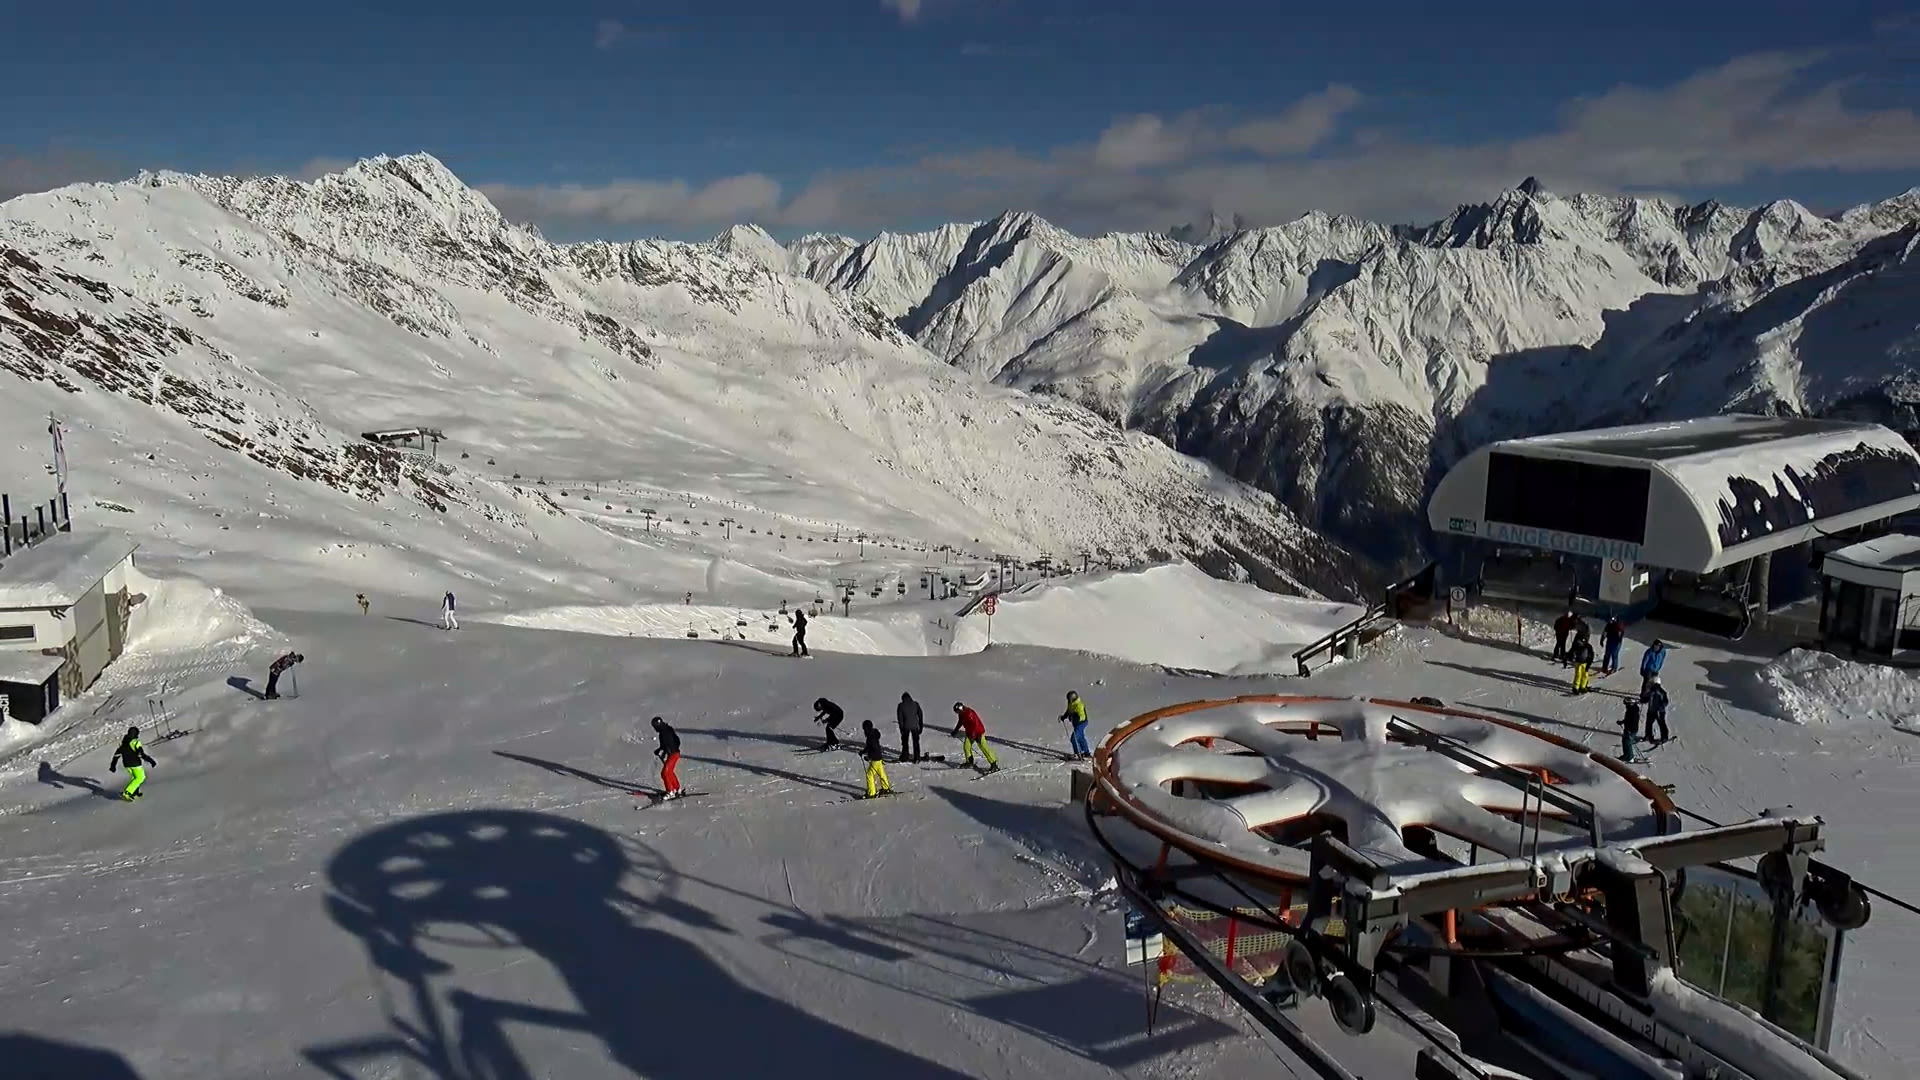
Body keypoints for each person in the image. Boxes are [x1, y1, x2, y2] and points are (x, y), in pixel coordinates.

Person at [107, 725, 156, 800]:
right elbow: (141, 754)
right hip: (135, 763)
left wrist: (113, 766)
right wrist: (151, 761)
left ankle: (135, 791)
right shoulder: (135, 742)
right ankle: (127, 792)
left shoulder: (124, 743)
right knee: (140, 777)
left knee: (134, 777)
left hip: (126, 764)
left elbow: (116, 756)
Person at [950, 701, 999, 772]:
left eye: (957, 712)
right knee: (966, 747)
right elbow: (960, 721)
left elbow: (975, 725)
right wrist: (955, 730)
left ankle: (993, 764)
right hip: (970, 733)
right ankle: (969, 762)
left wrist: (975, 735)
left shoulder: (969, 713)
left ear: (960, 709)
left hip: (978, 732)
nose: (957, 713)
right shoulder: (961, 714)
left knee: (983, 748)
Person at [860, 720, 895, 798]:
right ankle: (886, 788)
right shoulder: (873, 734)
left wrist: (869, 757)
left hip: (875, 759)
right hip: (879, 757)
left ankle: (871, 793)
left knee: (869, 775)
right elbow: (869, 746)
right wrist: (863, 752)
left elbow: (873, 747)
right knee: (881, 773)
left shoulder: (870, 737)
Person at [651, 716, 683, 800]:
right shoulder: (666, 729)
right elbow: (668, 743)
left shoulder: (665, 732)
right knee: (669, 772)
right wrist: (660, 750)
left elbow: (668, 743)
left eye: (654, 727)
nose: (654, 729)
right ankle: (677, 789)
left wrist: (667, 750)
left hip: (673, 754)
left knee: (665, 773)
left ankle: (670, 792)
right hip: (674, 753)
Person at [1060, 691, 1090, 759]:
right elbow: (1069, 711)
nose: (1068, 701)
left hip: (1081, 723)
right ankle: (1086, 752)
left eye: (1069, 699)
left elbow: (1082, 717)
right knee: (1081, 737)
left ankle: (1078, 754)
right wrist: (1064, 716)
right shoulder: (1071, 703)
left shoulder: (1079, 705)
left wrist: (1073, 716)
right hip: (1076, 723)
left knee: (1074, 738)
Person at [896, 691, 923, 762]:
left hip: (905, 726)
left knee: (905, 742)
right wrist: (921, 726)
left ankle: (905, 757)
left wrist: (901, 729)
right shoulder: (915, 704)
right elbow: (920, 715)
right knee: (916, 742)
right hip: (915, 726)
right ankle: (917, 757)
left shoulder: (901, 706)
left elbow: (900, 718)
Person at [1643, 677, 1671, 744]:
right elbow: (1647, 697)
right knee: (1648, 723)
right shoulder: (1651, 691)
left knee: (1661, 723)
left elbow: (1665, 702)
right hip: (1651, 710)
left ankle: (1664, 737)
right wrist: (1643, 699)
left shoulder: (1661, 692)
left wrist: (1660, 707)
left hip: (1659, 711)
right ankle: (1648, 735)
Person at [1619, 697, 1643, 762]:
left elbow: (1633, 721)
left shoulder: (1632, 711)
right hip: (1629, 729)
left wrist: (1629, 730)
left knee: (1627, 743)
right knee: (1625, 741)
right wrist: (1622, 722)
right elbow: (1627, 719)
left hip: (1631, 729)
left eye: (1626, 704)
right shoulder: (1632, 709)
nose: (1625, 705)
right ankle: (1626, 755)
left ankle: (1629, 757)